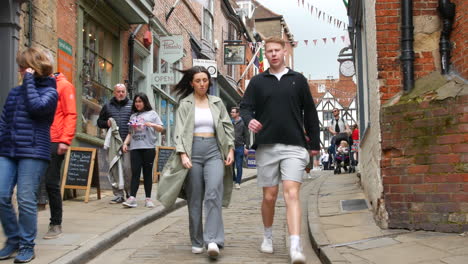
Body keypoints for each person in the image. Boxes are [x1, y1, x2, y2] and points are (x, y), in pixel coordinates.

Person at [240, 36, 320, 264]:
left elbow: (311, 113)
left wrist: (314, 144)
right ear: (266, 54)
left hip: (295, 145)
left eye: (277, 50)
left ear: (284, 52)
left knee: (292, 193)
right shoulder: (257, 82)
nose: (273, 54)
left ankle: (295, 246)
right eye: (270, 51)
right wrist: (249, 120)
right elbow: (245, 108)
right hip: (267, 146)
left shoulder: (298, 80)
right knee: (269, 196)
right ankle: (267, 235)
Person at [157, 66, 234, 259]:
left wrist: (230, 149)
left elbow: (227, 126)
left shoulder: (216, 102)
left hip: (214, 150)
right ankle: (197, 241)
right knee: (195, 197)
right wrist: (183, 154)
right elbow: (180, 131)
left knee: (213, 192)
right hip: (192, 152)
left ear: (209, 82)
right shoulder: (185, 104)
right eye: (198, 80)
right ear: (191, 83)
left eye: (205, 80)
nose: (202, 84)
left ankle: (213, 240)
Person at [0, 47, 58, 263]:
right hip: (9, 150)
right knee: (1, 195)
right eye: (20, 67)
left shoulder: (50, 92)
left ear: (34, 68)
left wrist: (29, 82)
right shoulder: (15, 92)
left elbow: (36, 107)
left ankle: (26, 245)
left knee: (25, 199)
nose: (20, 70)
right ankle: (13, 240)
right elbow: (4, 119)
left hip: (34, 151)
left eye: (24, 67)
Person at [39, 71, 77, 240]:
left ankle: (56, 223)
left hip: (55, 140)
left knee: (51, 182)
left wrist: (65, 140)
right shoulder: (38, 85)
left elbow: (71, 114)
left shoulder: (64, 85)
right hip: (39, 138)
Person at [122, 93, 164, 208]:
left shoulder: (152, 114)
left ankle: (148, 199)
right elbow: (130, 133)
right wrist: (125, 143)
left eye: (140, 101)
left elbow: (161, 129)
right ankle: (132, 198)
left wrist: (151, 124)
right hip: (135, 148)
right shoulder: (133, 116)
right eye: (136, 101)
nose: (138, 104)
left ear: (145, 102)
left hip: (148, 148)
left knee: (147, 174)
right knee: (135, 173)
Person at [97, 84, 133, 204]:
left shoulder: (131, 105)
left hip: (128, 143)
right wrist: (106, 123)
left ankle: (128, 192)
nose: (121, 94)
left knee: (127, 169)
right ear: (114, 92)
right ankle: (118, 194)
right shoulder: (107, 106)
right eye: (118, 91)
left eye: (123, 91)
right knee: (114, 169)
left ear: (126, 92)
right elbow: (99, 122)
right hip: (113, 143)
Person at [230, 107, 249, 189]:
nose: (231, 113)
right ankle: (234, 179)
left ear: (237, 113)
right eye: (231, 112)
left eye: (233, 112)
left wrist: (246, 147)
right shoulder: (230, 123)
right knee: (231, 166)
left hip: (240, 147)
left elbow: (247, 135)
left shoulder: (243, 123)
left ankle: (238, 182)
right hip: (231, 147)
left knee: (238, 165)